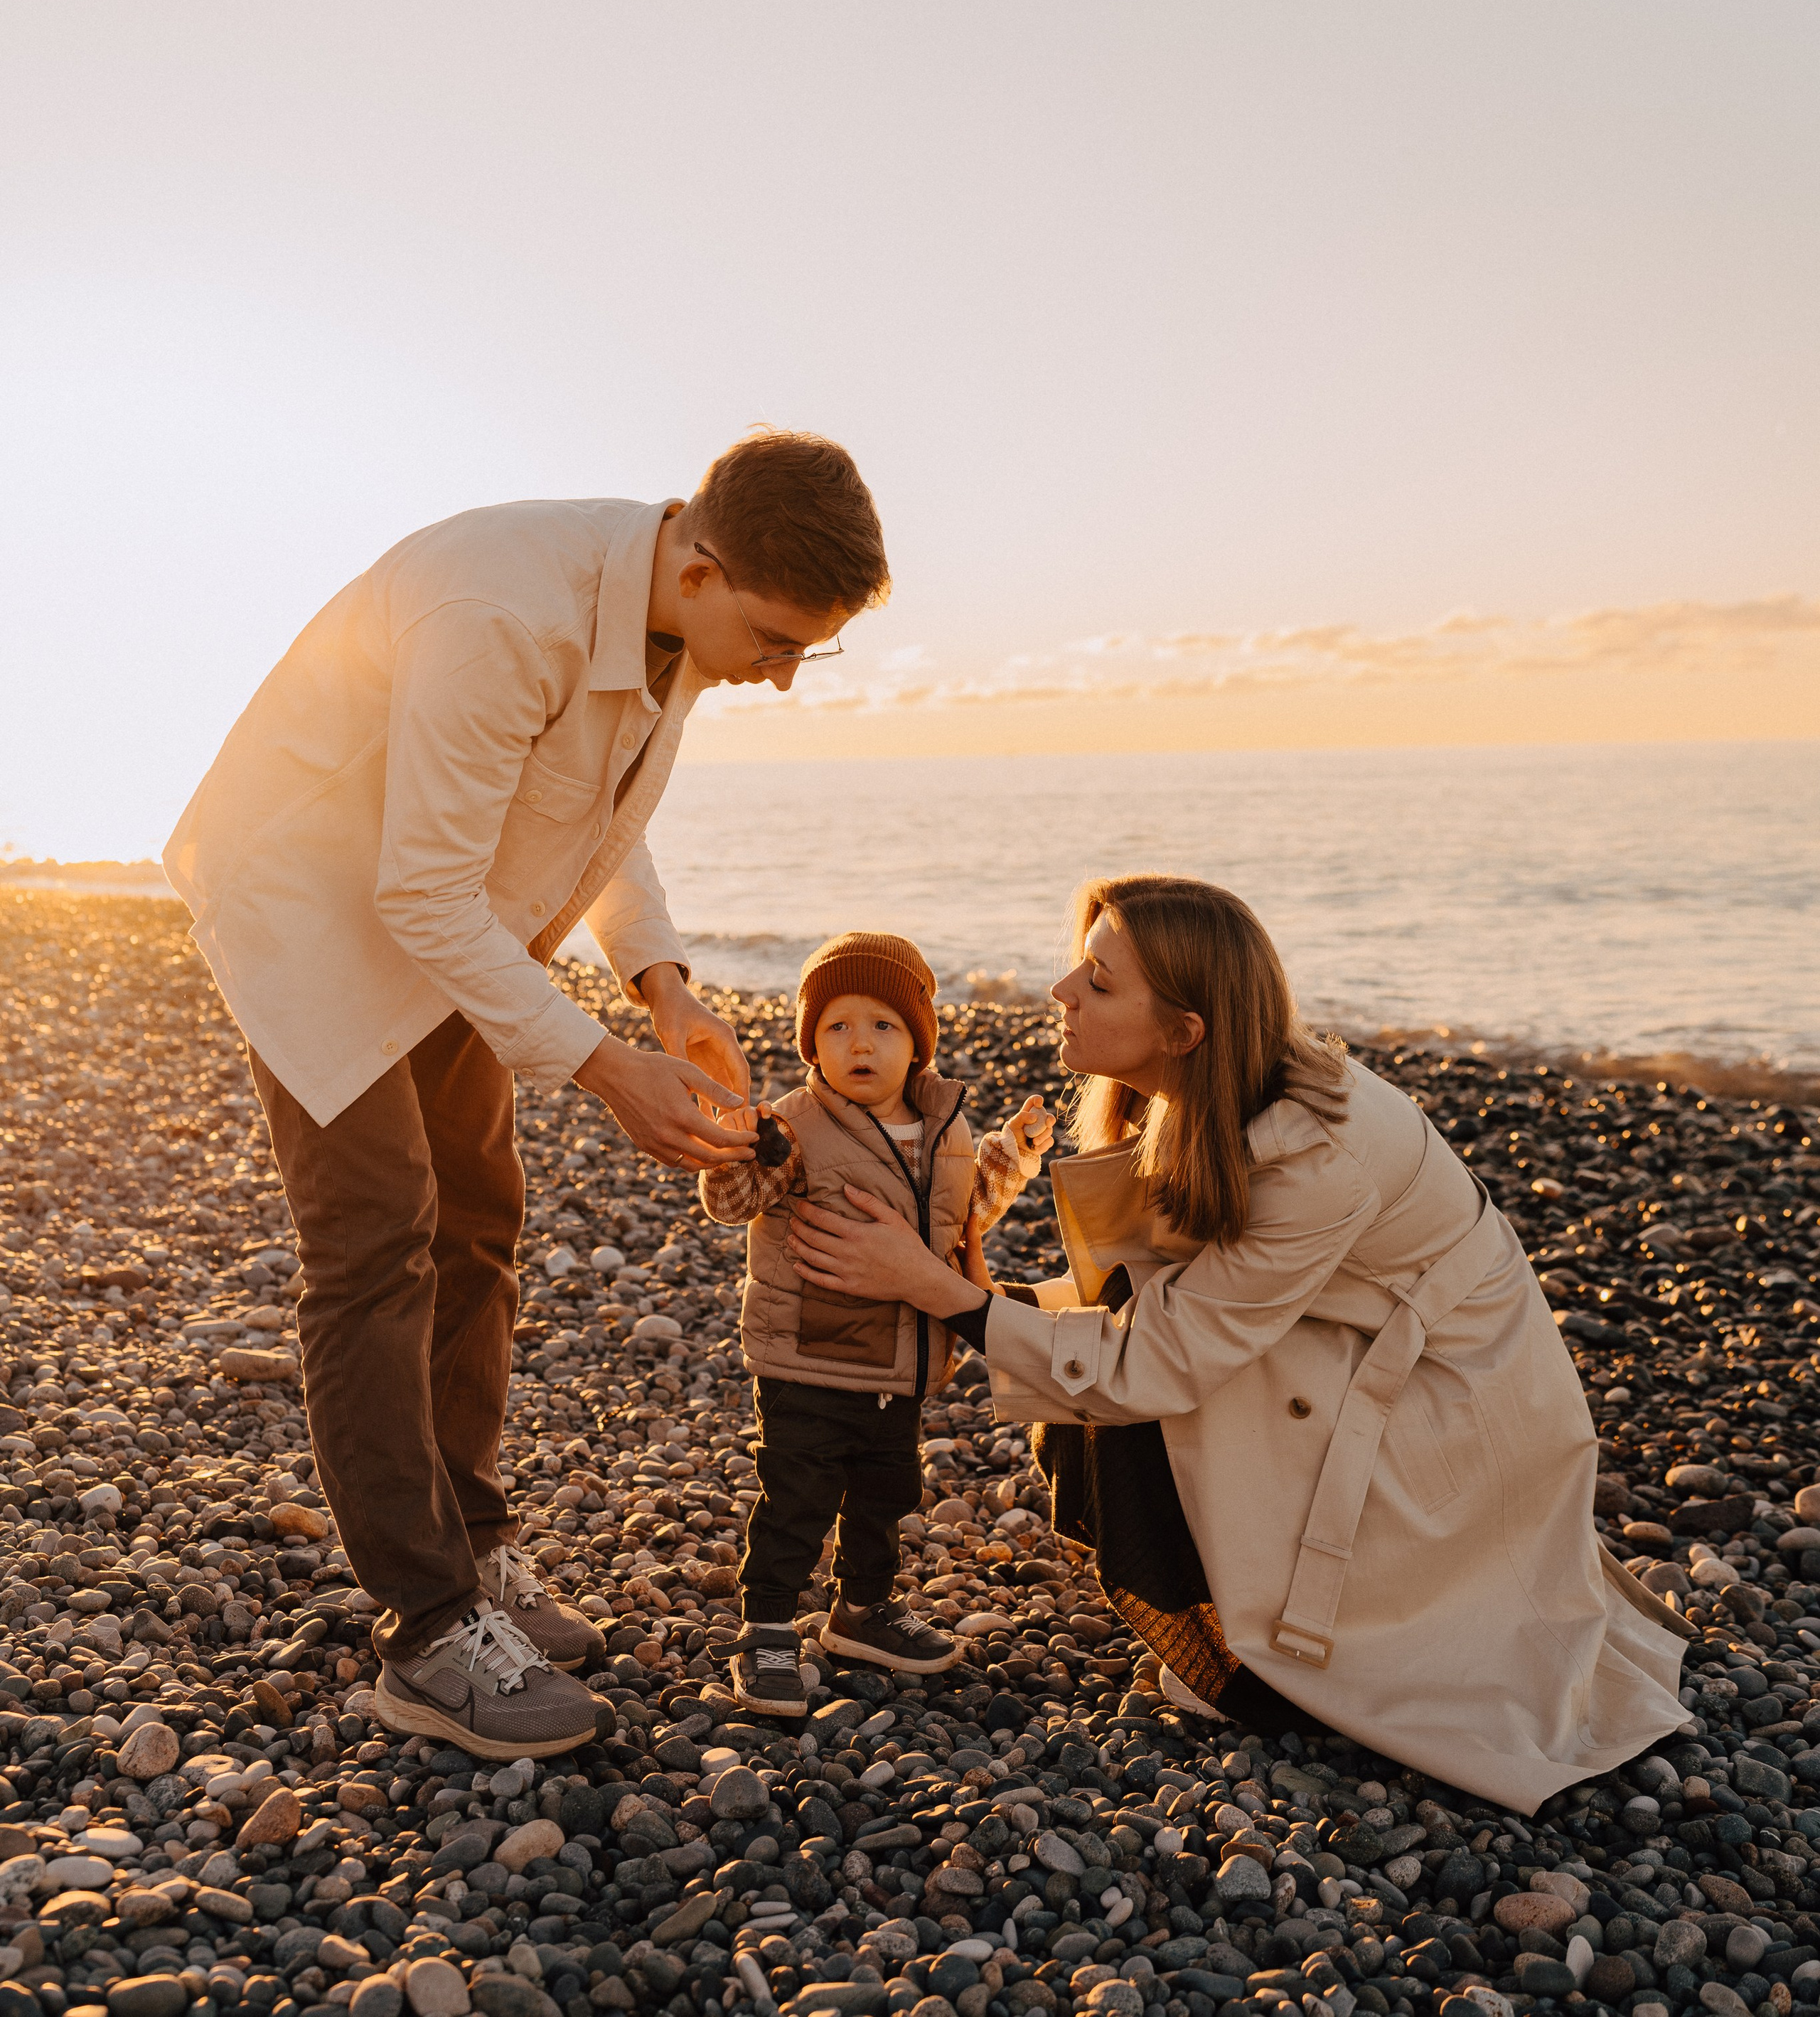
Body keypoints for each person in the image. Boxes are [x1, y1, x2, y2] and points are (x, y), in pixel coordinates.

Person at [162, 430, 889, 1758]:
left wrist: (661, 988)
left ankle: (474, 1537)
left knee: (481, 1218)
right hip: (311, 905)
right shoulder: (504, 612)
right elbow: (417, 890)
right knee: (378, 1241)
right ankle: (430, 1629)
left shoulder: (670, 612)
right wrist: (607, 1069)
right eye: (779, 641)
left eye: (810, 651)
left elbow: (601, 808)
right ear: (702, 568)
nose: (784, 675)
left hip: (449, 914)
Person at [783, 871, 1689, 1811]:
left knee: (1124, 1385)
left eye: (1098, 982)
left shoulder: (1315, 1157)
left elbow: (1151, 1362)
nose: (1061, 992)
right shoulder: (1210, 1091)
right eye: (1078, 968)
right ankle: (1223, 1610)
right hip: (1358, 1345)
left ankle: (1253, 1665)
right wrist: (971, 1296)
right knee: (1090, 1345)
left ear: (1184, 1032)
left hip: (1449, 1412)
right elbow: (1157, 1304)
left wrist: (936, 1292)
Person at [697, 929, 1054, 1717]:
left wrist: (1016, 1153)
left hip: (904, 1365)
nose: (860, 1043)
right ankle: (765, 1629)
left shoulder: (946, 1130)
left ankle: (861, 1610)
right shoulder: (793, 1126)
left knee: (886, 1495)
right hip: (809, 1360)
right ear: (812, 1046)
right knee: (794, 1500)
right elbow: (730, 1206)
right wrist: (736, 1151)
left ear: (919, 1042)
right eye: (838, 1027)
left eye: (883, 1025)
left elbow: (966, 1213)